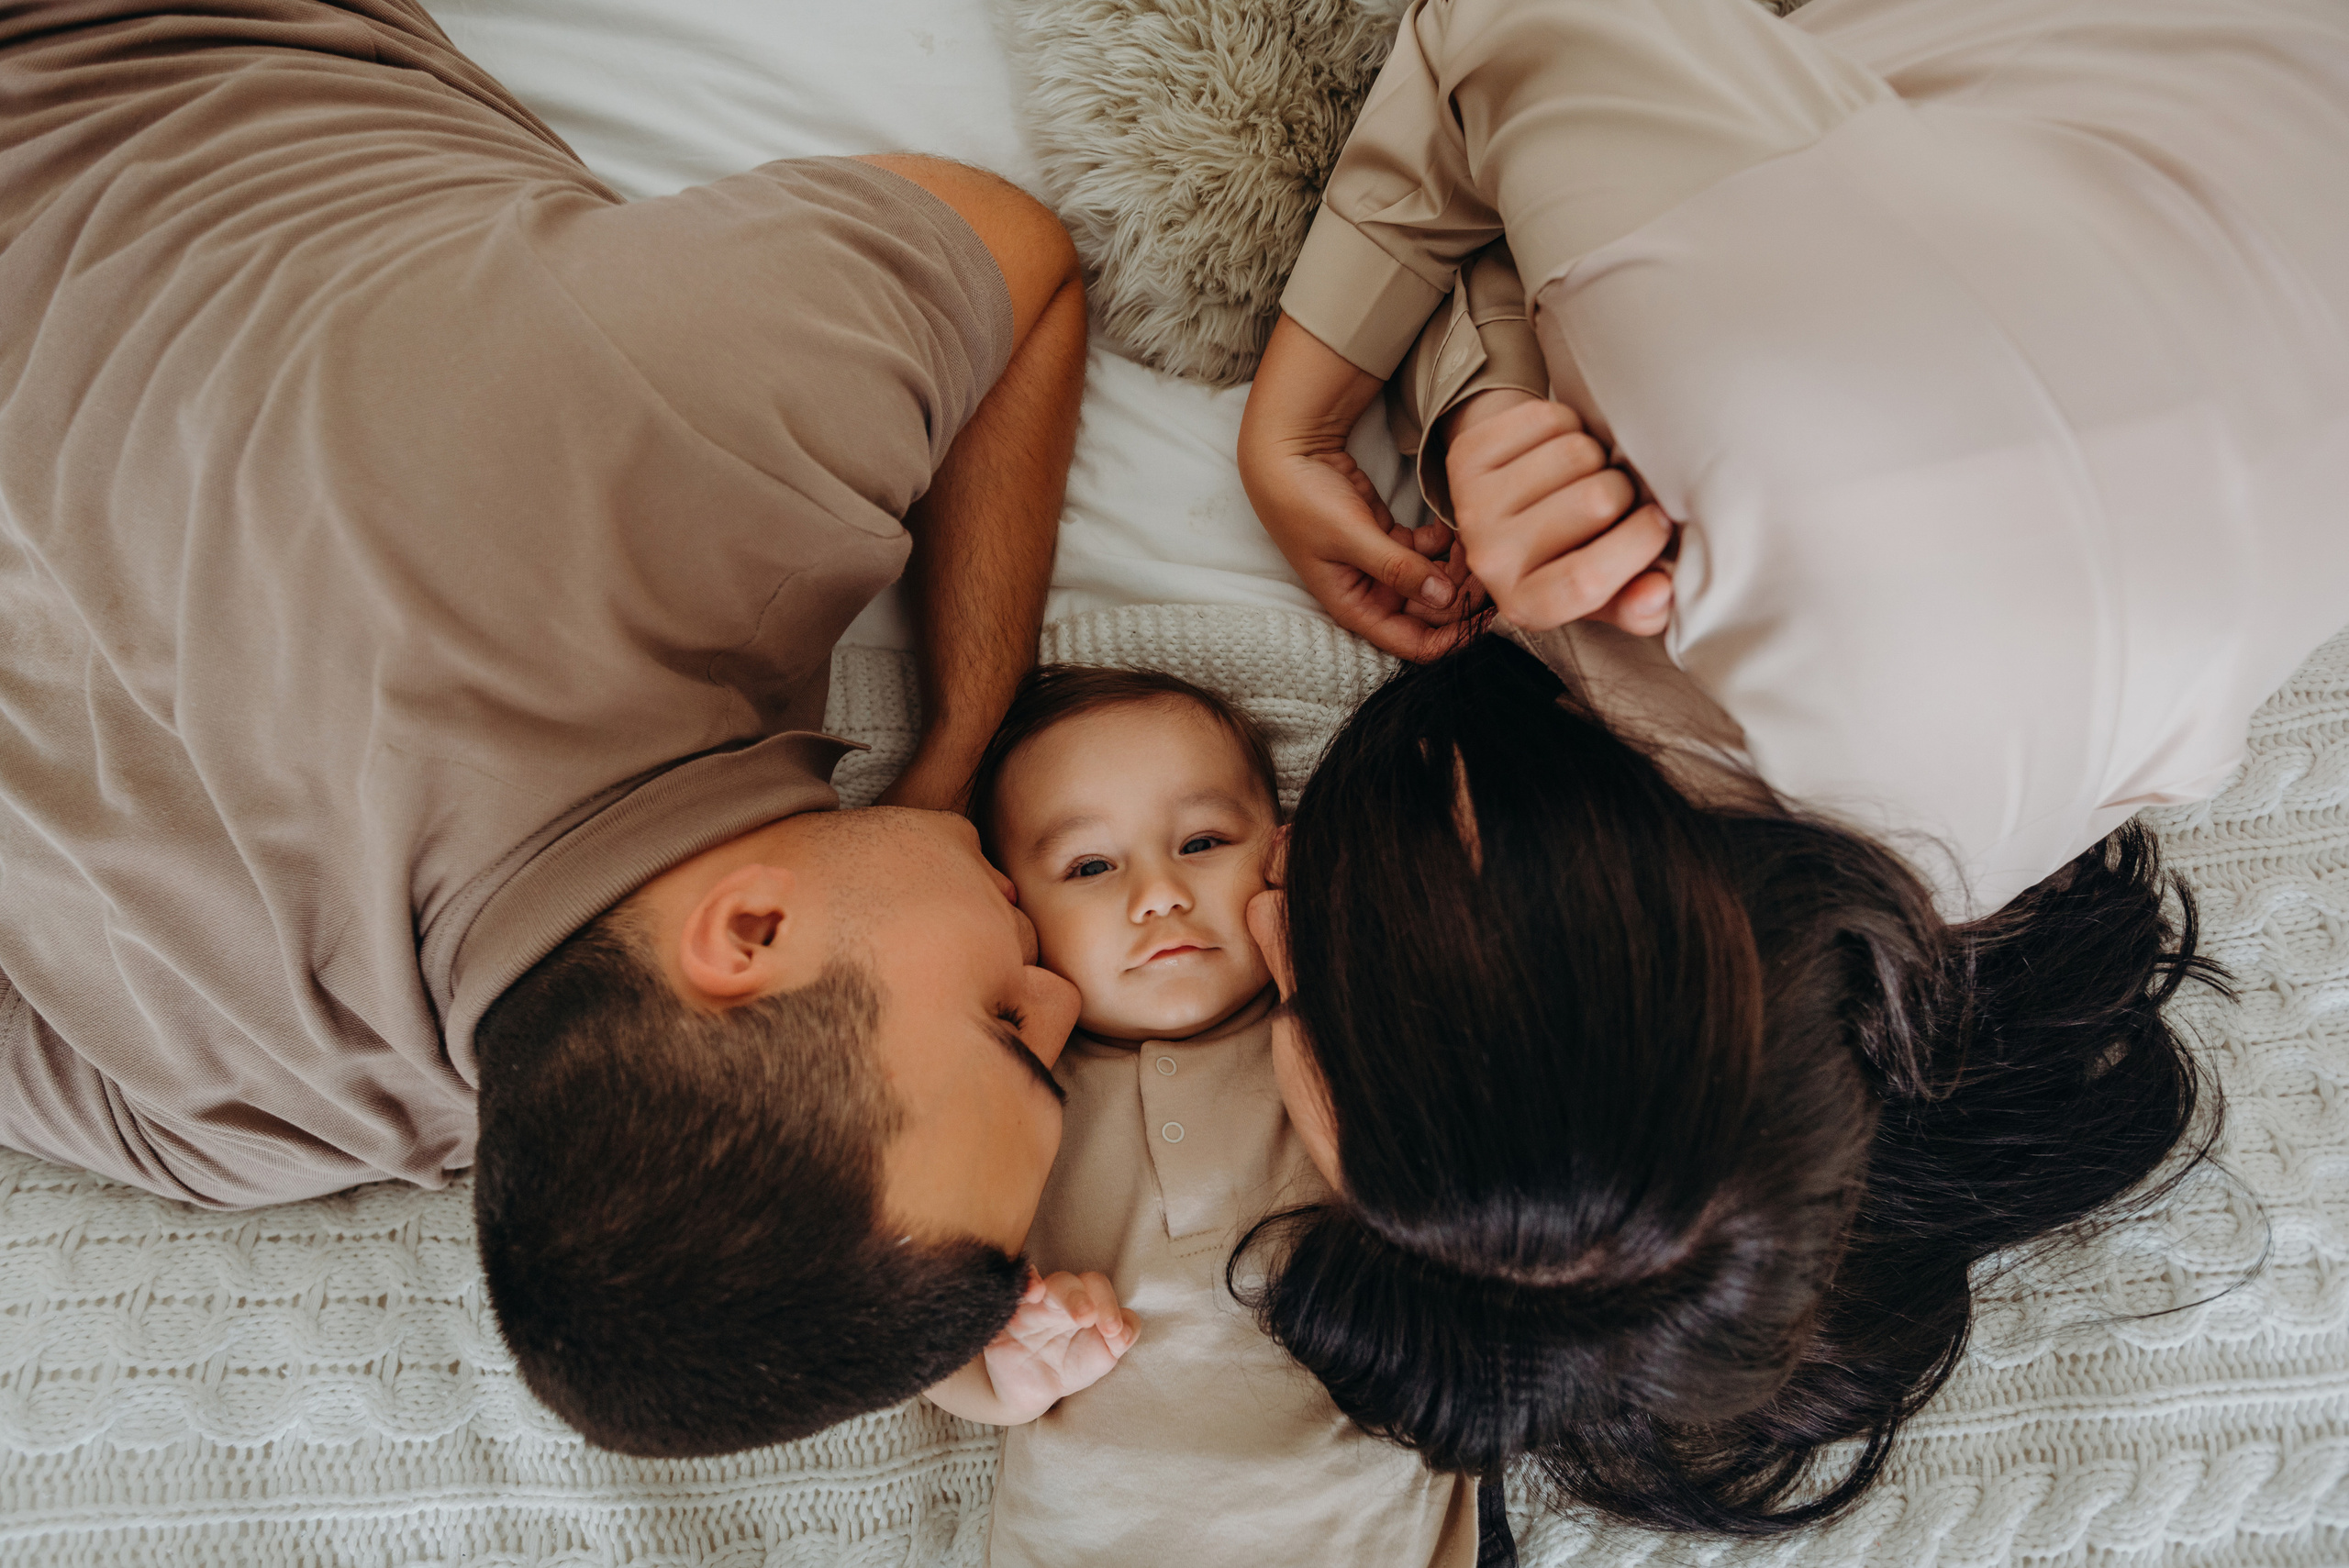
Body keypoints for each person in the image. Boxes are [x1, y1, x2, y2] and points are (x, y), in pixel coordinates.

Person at [1236, 0, 2349, 1537]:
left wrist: (1484, 420)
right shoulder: (1749, 438)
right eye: (1314, 987)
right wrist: (1299, 413)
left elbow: (1549, 264)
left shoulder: (1940, 866)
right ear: (1483, 850)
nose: (1259, 915)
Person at [0, 0, 1094, 1457]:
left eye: (1004, 1028)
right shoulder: (237, 1123)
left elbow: (1017, 263)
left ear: (749, 935)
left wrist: (967, 738)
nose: (1064, 993)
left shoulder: (679, 452)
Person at [927, 665, 1490, 1568]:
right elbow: (920, 1315)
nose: (1157, 893)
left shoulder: (1344, 1028)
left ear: (1277, 849)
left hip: (1370, 1527)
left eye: (1200, 840)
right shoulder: (1016, 1082)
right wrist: (1008, 1372)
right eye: (1090, 865)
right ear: (1016, 913)